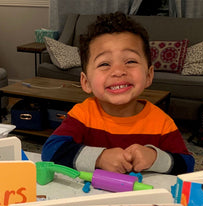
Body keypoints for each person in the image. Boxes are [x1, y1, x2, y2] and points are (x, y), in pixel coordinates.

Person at [41, 11, 194, 175]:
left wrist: (155, 158)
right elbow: (50, 151)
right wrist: (99, 158)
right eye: (104, 63)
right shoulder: (83, 115)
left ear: (149, 75)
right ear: (86, 82)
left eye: (130, 61)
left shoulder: (161, 123)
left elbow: (187, 164)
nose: (119, 71)